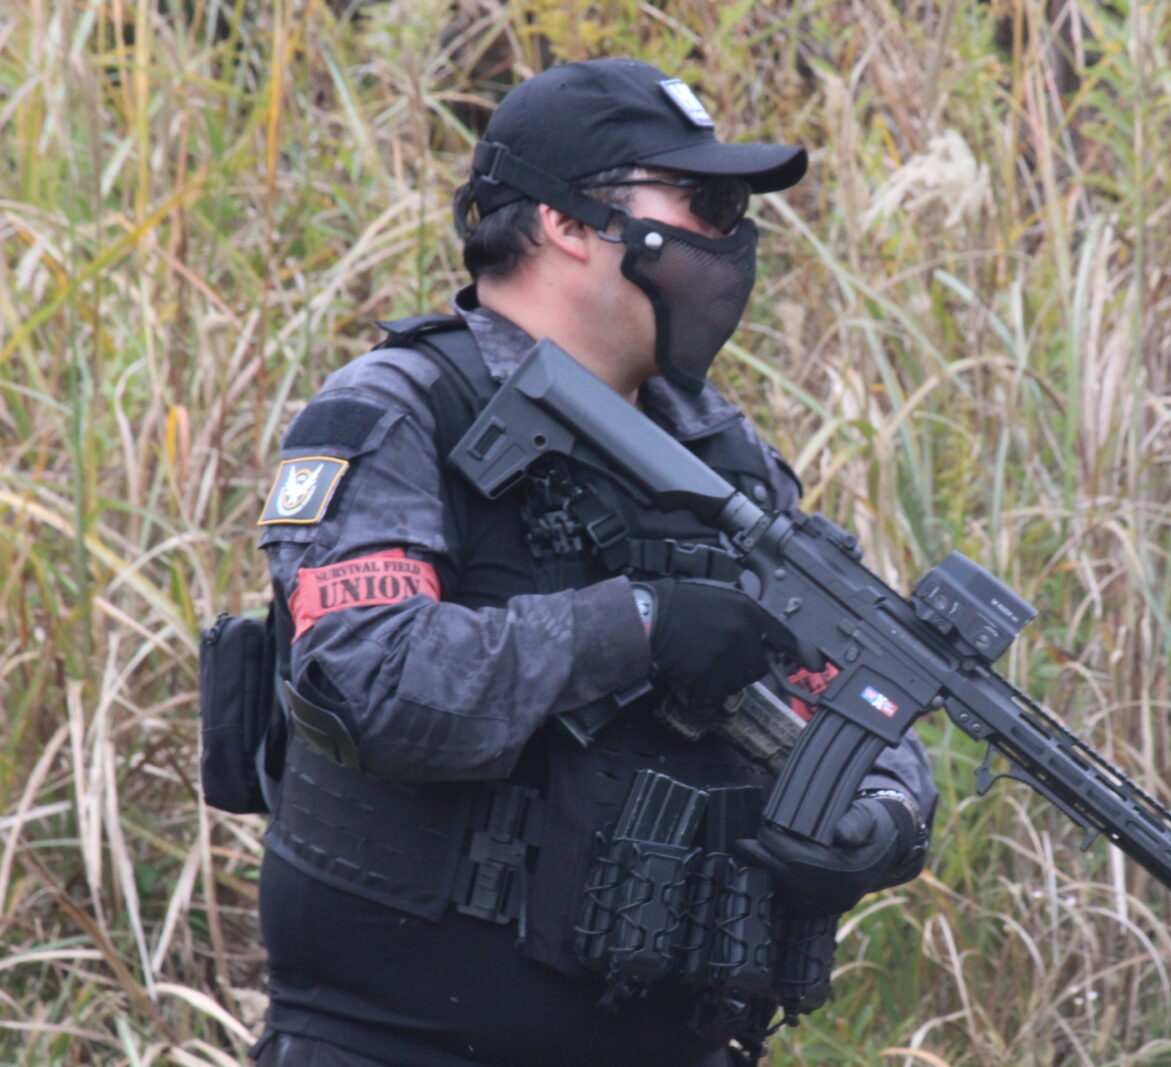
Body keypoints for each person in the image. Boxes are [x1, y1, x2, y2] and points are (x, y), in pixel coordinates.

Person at [248, 58, 937, 1067]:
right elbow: (366, 673)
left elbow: (852, 684)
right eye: (705, 204)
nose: (731, 238)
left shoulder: (720, 453)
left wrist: (883, 815)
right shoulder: (402, 409)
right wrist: (640, 624)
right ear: (569, 221)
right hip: (399, 1041)